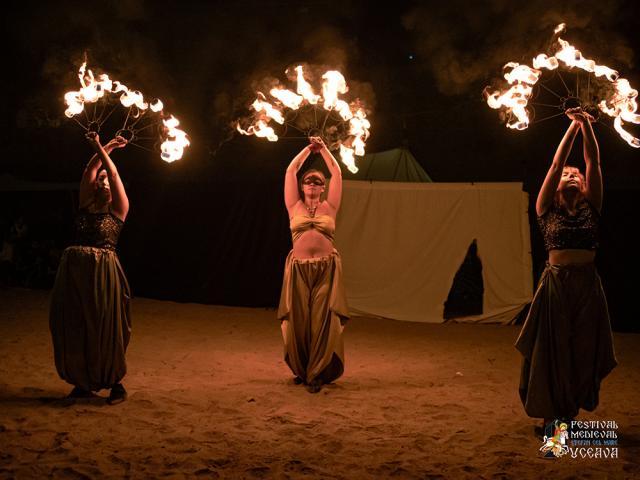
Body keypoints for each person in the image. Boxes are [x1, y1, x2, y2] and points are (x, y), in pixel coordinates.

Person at [515, 108, 617, 429]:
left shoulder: (592, 206)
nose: (572, 174)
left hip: (587, 287)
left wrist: (587, 124)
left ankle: (568, 413)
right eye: (566, 175)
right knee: (552, 350)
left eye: (578, 175)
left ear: (585, 185)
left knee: (582, 351)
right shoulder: (545, 209)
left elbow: (594, 163)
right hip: (556, 285)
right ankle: (551, 422)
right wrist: (572, 127)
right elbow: (556, 163)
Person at [49, 132, 132, 405]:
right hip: (74, 269)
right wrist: (106, 145)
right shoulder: (85, 204)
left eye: (107, 181)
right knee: (74, 324)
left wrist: (100, 145)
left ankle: (115, 384)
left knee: (103, 325)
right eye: (101, 180)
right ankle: (83, 382)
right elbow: (90, 169)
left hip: (103, 271)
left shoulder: (119, 209)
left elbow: (113, 172)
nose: (104, 181)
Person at [278, 136, 349, 393]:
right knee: (299, 320)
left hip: (325, 270)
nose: (312, 183)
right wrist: (309, 149)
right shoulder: (293, 206)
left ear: (322, 188)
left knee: (320, 320)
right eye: (308, 180)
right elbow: (290, 170)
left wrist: (325, 150)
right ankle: (302, 368)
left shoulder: (330, 208)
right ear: (302, 185)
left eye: (318, 181)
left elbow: (337, 172)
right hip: (298, 269)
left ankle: (317, 373)